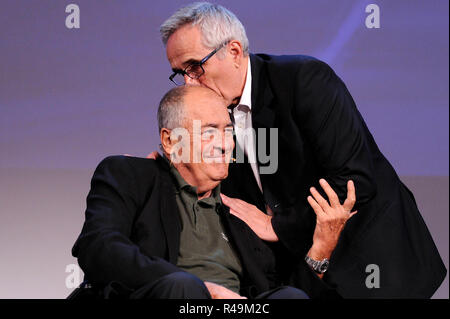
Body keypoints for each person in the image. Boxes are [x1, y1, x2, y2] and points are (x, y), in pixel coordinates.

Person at [159, 2, 446, 298]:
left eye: (195, 67)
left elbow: (354, 181)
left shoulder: (305, 80)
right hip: (303, 273)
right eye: (179, 73)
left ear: (233, 51)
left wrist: (278, 226)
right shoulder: (213, 112)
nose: (188, 83)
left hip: (373, 257)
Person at [71, 85, 353, 299]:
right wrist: (206, 291)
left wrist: (320, 247)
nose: (225, 144)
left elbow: (280, 288)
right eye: (208, 132)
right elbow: (98, 247)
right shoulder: (132, 176)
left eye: (228, 131)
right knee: (184, 288)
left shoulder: (241, 211)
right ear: (170, 141)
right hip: (170, 295)